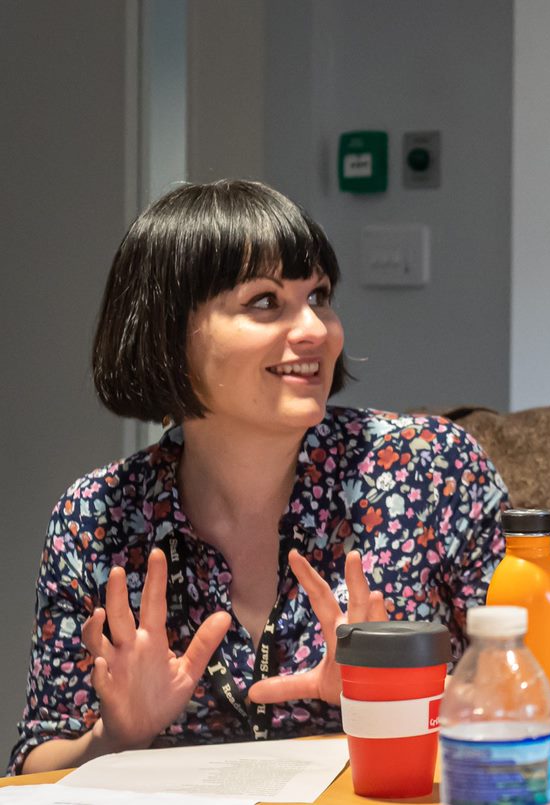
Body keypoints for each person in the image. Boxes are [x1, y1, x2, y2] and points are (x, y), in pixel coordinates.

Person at [9, 180, 509, 774]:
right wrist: (115, 738)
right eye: (266, 302)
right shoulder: (98, 516)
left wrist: (395, 700)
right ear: (170, 333)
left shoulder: (430, 471)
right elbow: (34, 765)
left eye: (319, 295)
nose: (318, 331)